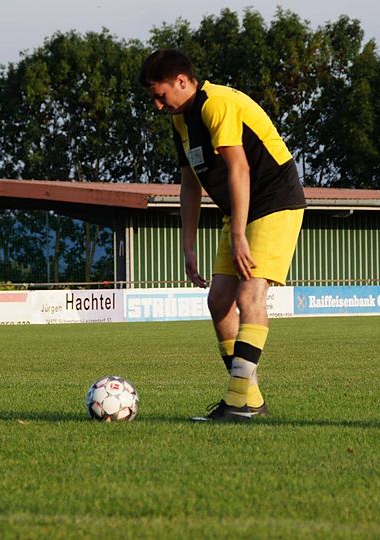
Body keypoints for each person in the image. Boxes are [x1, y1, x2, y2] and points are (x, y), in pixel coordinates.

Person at [139, 49, 306, 422]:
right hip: (240, 209)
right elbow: (189, 184)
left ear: (182, 81)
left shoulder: (217, 103)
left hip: (275, 200)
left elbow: (239, 168)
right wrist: (188, 246)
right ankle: (251, 400)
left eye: (160, 95)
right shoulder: (181, 120)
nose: (157, 105)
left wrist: (239, 234)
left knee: (249, 295)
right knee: (218, 302)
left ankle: (235, 401)